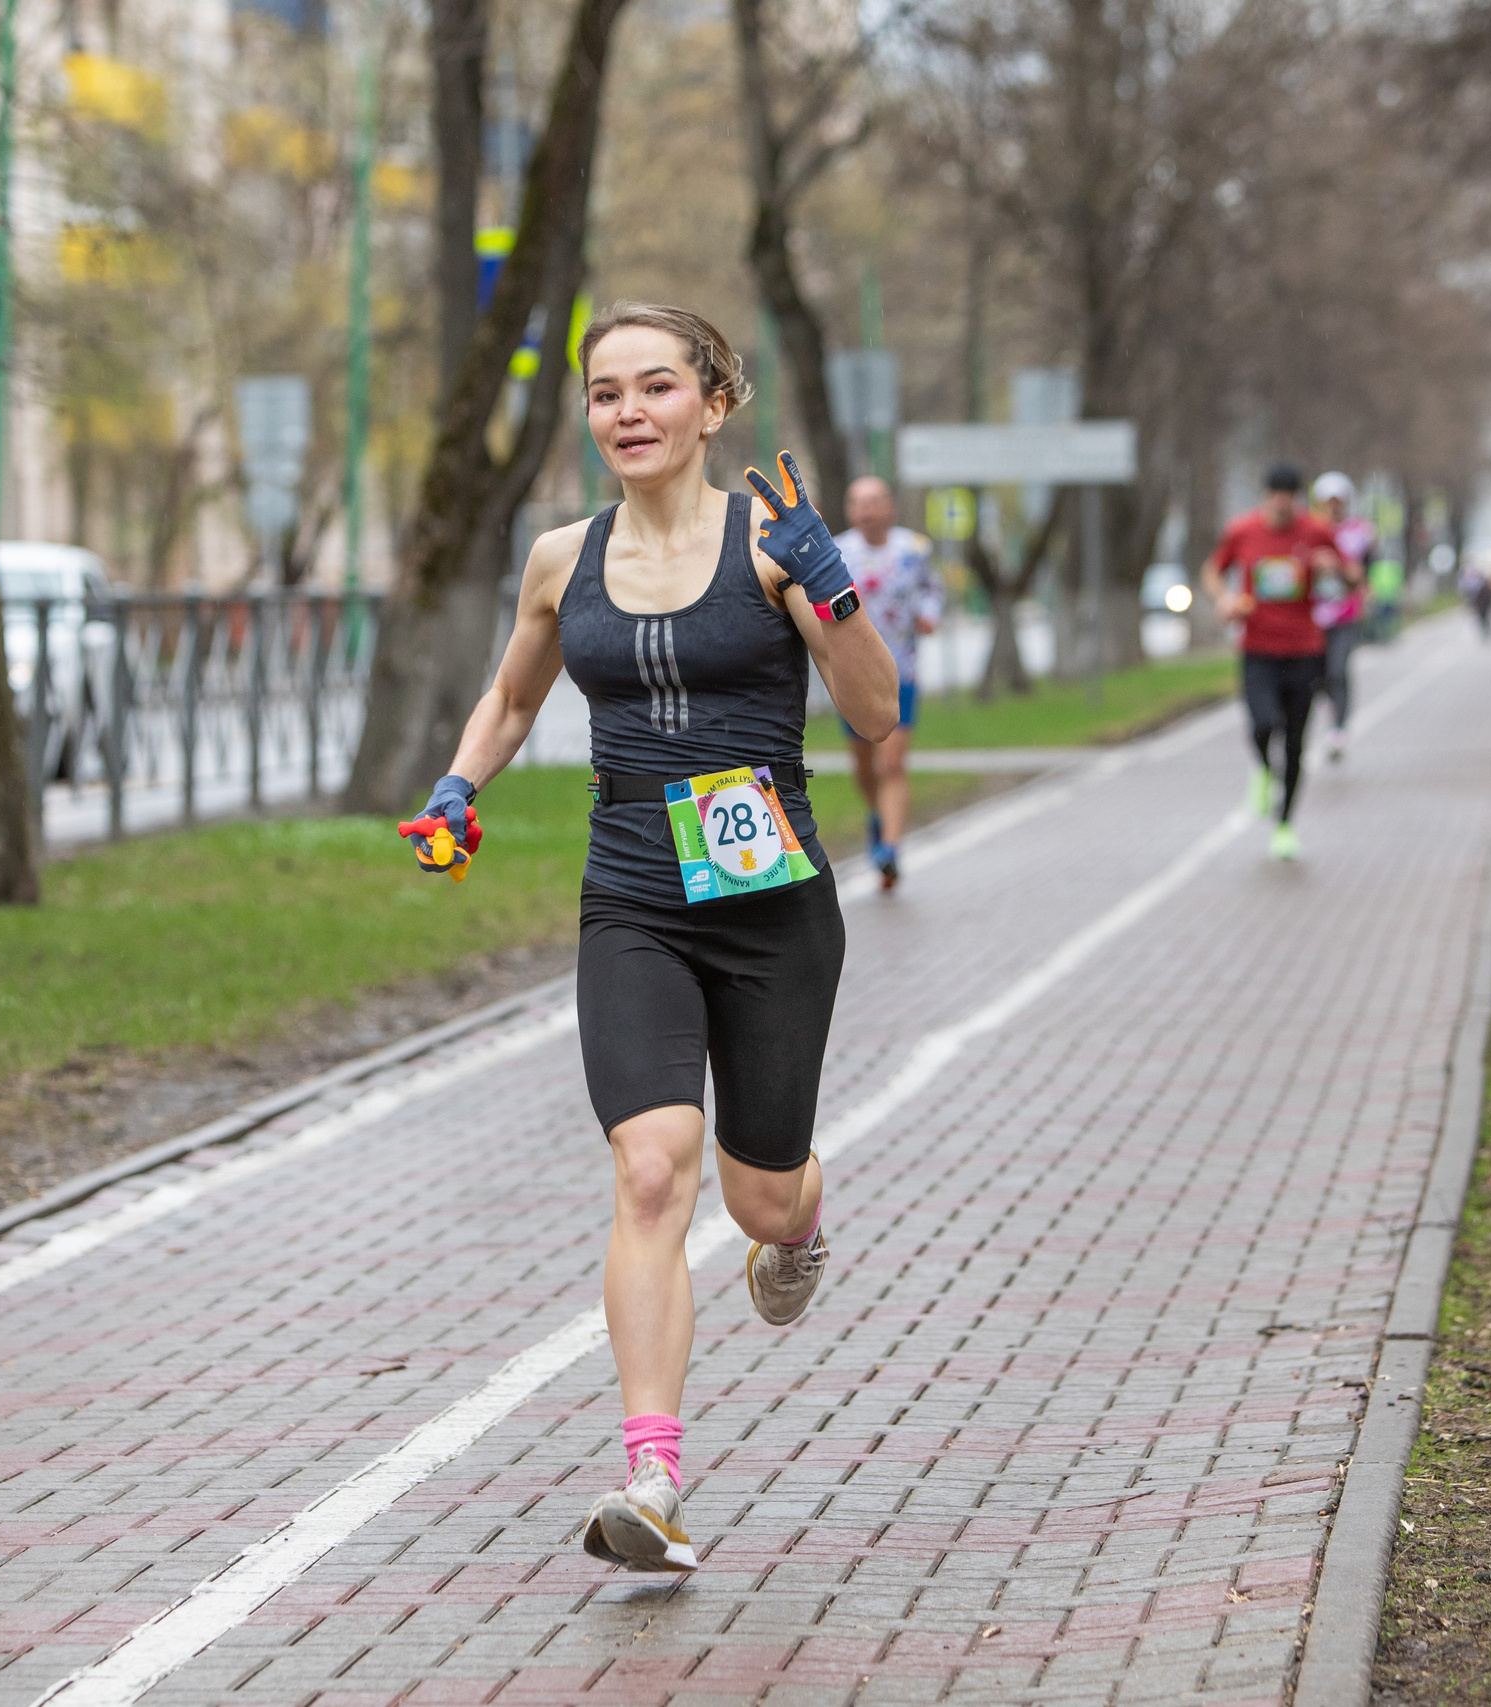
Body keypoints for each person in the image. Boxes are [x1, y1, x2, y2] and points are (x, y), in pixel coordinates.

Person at [395, 302, 900, 1574]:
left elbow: (878, 715)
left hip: (770, 896)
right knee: (650, 1171)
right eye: (607, 391)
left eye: (657, 387)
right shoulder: (563, 558)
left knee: (755, 1187)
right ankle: (653, 1477)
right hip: (631, 888)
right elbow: (514, 695)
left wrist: (829, 585)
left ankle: (799, 1220)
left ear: (712, 405)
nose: (629, 411)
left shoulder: (774, 545)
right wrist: (461, 787)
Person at [1199, 463, 1353, 860]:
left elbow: (1354, 576)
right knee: (1263, 723)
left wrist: (1334, 568)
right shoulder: (1243, 531)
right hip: (1258, 649)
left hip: (1304, 650)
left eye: (1290, 499)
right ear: (1266, 497)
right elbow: (1213, 571)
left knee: (1297, 743)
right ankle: (1263, 770)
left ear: (1297, 500)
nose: (1282, 506)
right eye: (1276, 498)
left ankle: (1284, 825)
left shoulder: (1316, 532)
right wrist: (1225, 599)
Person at [832, 476, 942, 888]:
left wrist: (930, 614)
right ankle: (878, 816)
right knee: (864, 765)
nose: (868, 511)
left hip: (902, 671)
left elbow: (933, 590)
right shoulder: (838, 551)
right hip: (853, 674)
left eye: (875, 502)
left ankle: (890, 849)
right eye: (859, 503)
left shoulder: (913, 550)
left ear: (890, 507)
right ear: (850, 510)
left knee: (891, 763)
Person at [1309, 472, 1377, 761]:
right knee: (1317, 676)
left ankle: (1338, 728)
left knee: (1338, 670)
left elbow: (1367, 568)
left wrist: (1365, 589)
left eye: (1339, 501)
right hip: (1312, 615)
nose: (1334, 506)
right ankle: (1332, 709)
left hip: (1345, 613)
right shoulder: (1308, 530)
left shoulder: (1360, 531)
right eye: (1329, 501)